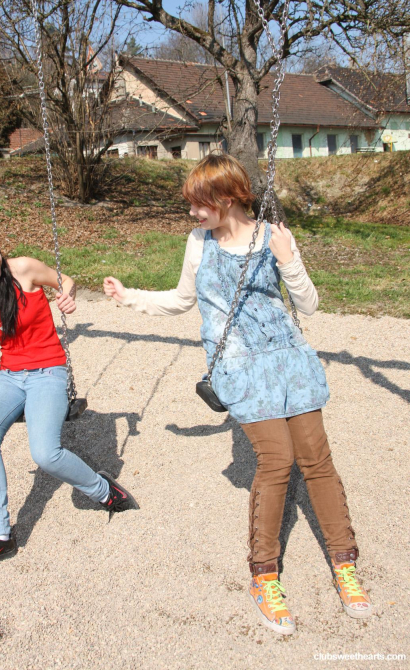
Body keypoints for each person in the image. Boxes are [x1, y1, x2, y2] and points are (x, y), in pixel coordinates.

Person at [103, 154, 371, 635]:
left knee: (317, 459)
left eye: (199, 205)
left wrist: (289, 262)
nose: (192, 214)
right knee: (276, 461)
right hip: (241, 369)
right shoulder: (198, 243)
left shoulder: (274, 237)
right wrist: (130, 297)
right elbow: (183, 300)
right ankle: (264, 573)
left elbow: (309, 304)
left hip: (289, 361)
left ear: (226, 199)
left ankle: (344, 562)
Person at [0, 226, 137, 574]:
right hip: (9, 374)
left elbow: (65, 280)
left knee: (45, 453)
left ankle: (103, 490)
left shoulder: (22, 268)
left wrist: (65, 297)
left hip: (48, 371)